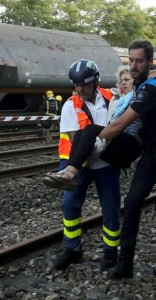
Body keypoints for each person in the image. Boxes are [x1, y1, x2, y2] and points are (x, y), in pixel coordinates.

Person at [96, 39, 156, 280]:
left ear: (149, 61)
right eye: (131, 60)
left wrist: (94, 142)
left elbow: (120, 123)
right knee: (131, 204)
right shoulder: (144, 81)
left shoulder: (152, 87)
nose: (134, 65)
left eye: (139, 60)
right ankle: (125, 263)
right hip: (152, 152)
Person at [49, 59, 122, 271]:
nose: (80, 89)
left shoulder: (113, 99)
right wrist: (98, 142)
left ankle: (110, 251)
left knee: (110, 207)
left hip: (105, 163)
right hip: (78, 162)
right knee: (70, 204)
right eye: (76, 85)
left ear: (95, 81)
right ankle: (72, 249)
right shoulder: (70, 105)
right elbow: (74, 139)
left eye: (85, 84)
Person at [44, 68, 156, 188]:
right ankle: (71, 174)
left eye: (127, 80)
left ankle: (71, 172)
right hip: (118, 140)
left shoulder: (142, 93)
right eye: (121, 81)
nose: (123, 83)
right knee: (80, 133)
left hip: (131, 143)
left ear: (136, 81)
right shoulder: (119, 99)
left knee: (90, 129)